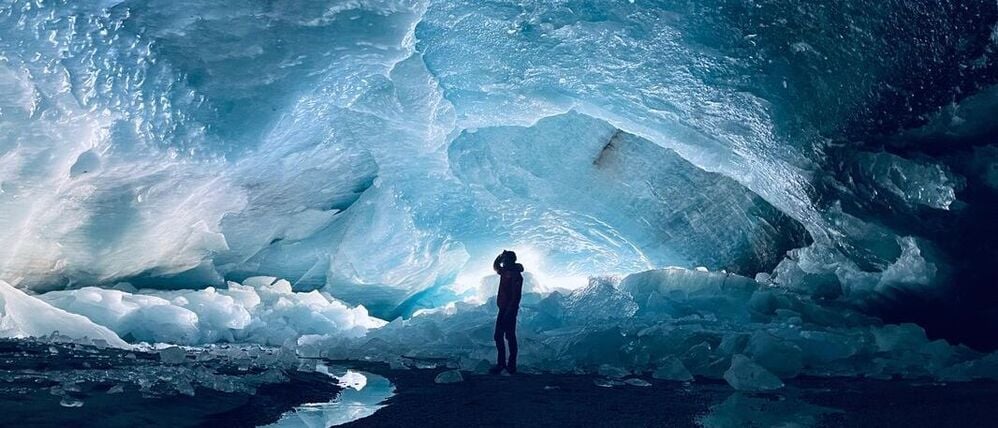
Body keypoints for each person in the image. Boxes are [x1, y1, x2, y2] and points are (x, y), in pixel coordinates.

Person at [490, 250, 524, 374]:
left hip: (510, 309)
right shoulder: (505, 272)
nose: (503, 263)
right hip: (503, 308)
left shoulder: (516, 275)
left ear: (510, 261)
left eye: (505, 260)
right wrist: (498, 257)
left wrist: (509, 311)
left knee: (509, 336)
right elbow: (496, 267)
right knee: (499, 336)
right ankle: (503, 364)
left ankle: (510, 365)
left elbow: (516, 296)